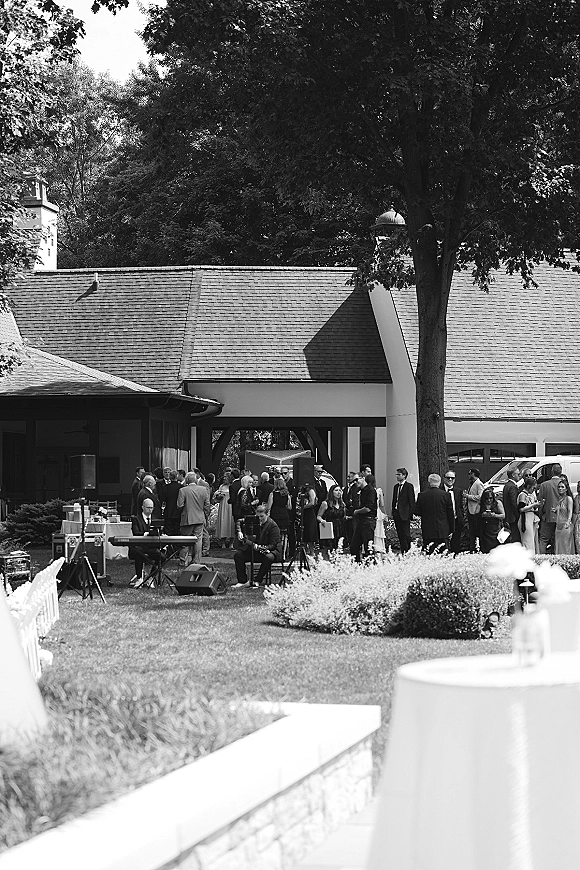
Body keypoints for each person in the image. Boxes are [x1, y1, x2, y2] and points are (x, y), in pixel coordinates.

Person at [232, 505, 283, 588]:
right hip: (256, 551)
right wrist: (239, 532)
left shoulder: (273, 526)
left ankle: (257, 580)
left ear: (268, 514)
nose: (259, 519)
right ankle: (242, 581)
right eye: (257, 516)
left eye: (262, 516)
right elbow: (239, 521)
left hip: (271, 552)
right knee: (238, 555)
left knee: (268, 557)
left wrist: (262, 547)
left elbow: (273, 545)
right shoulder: (253, 521)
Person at [415, 473, 454, 553]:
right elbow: (450, 513)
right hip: (442, 528)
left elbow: (417, 511)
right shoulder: (446, 495)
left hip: (428, 527)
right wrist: (451, 529)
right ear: (439, 482)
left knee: (429, 551)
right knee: (443, 552)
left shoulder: (422, 495)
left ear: (429, 482)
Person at [128, 498, 162, 588]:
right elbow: (136, 532)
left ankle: (151, 578)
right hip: (139, 546)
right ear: (142, 507)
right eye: (148, 507)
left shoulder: (155, 519)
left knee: (162, 557)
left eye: (152, 508)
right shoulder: (136, 519)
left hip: (151, 546)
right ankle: (139, 578)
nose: (150, 510)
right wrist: (147, 534)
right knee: (139, 553)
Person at [177, 471, 210, 565]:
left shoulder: (183, 490)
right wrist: (205, 515)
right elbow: (207, 505)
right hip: (200, 518)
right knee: (198, 540)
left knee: (185, 540)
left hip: (187, 518)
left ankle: (183, 560)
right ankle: (196, 561)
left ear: (187, 480)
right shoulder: (204, 490)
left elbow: (179, 505)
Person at [350, 474, 378, 562]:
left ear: (362, 478)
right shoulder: (360, 491)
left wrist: (356, 511)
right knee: (354, 546)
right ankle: (357, 565)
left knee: (368, 547)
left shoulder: (371, 490)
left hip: (368, 521)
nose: (355, 482)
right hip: (361, 521)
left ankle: (370, 567)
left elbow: (368, 508)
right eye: (353, 481)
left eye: (356, 480)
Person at [538, 462, 563, 553]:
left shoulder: (544, 485)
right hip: (561, 517)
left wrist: (541, 515)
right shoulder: (563, 484)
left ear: (552, 472)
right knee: (558, 540)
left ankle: (542, 560)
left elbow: (540, 502)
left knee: (543, 540)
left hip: (547, 515)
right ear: (561, 472)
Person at [391, 468, 416, 554]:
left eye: (399, 474)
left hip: (405, 513)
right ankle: (403, 551)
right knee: (400, 534)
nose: (397, 476)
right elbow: (394, 500)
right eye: (397, 474)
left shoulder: (409, 486)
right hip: (397, 513)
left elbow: (411, 501)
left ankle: (409, 549)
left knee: (406, 534)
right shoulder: (396, 487)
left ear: (404, 475)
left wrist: (410, 514)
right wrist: (393, 511)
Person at [316, 483, 345, 555]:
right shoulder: (325, 503)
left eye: (340, 490)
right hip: (330, 528)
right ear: (332, 492)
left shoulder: (342, 504)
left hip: (340, 528)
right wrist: (322, 521)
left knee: (339, 549)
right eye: (336, 490)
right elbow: (318, 516)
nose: (338, 492)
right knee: (329, 550)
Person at [442, 469, 464, 554]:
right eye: (448, 478)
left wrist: (461, 516)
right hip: (445, 520)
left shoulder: (458, 491)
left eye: (452, 478)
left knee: (456, 540)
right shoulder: (440, 490)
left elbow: (460, 506)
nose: (450, 480)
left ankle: (455, 555)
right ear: (444, 478)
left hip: (456, 519)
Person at [477, 487, 505, 553]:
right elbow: (476, 514)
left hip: (495, 529)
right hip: (484, 530)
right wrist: (482, 515)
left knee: (496, 548)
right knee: (485, 549)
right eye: (486, 499)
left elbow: (503, 515)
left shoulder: (498, 503)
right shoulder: (481, 504)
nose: (489, 500)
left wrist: (494, 515)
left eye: (490, 498)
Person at [518, 474, 540, 553]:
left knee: (533, 542)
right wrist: (533, 505)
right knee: (528, 542)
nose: (534, 490)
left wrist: (536, 505)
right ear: (529, 486)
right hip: (525, 520)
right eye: (533, 488)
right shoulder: (522, 495)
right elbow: (521, 509)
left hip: (531, 519)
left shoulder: (530, 495)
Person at [465, 468, 484, 551]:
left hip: (476, 511)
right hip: (470, 510)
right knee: (471, 531)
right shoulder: (472, 484)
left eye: (469, 473)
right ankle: (472, 547)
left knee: (476, 530)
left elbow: (480, 497)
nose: (468, 475)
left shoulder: (479, 484)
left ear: (473, 474)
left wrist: (467, 496)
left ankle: (476, 547)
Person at [297, 479, 318, 555]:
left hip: (309, 513)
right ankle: (305, 551)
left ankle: (312, 552)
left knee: (310, 532)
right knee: (305, 533)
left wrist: (303, 507)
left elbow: (312, 503)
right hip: (304, 514)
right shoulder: (302, 491)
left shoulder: (311, 491)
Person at [214, 472, 235, 547]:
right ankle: (223, 542)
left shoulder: (232, 486)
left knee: (231, 522)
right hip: (223, 506)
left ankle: (231, 542)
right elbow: (216, 497)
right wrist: (219, 496)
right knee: (223, 522)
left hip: (230, 506)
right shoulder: (221, 486)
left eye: (226, 477)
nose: (224, 478)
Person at [555, 479, 574, 554]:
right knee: (559, 546)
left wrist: (568, 521)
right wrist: (556, 510)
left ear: (566, 489)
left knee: (565, 547)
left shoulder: (568, 498)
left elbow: (570, 511)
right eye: (559, 487)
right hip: (558, 525)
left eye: (562, 487)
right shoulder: (560, 499)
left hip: (565, 526)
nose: (560, 488)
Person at [502, 468, 521, 543]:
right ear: (513, 475)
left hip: (509, 516)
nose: (519, 476)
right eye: (518, 474)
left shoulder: (507, 485)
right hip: (513, 517)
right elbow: (514, 503)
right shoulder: (512, 486)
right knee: (515, 537)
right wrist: (518, 515)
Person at [162, 470, 182, 535]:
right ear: (177, 477)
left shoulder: (165, 487)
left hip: (168, 512)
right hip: (178, 512)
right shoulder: (181, 487)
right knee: (177, 531)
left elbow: (163, 499)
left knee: (168, 532)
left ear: (170, 477)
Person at [343, 471, 359, 549]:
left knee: (354, 528)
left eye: (350, 477)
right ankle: (348, 543)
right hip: (347, 510)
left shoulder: (356, 487)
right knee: (348, 528)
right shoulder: (346, 488)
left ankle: (353, 545)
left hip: (354, 510)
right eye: (348, 477)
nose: (348, 478)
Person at [373, 482, 387, 553]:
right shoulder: (378, 491)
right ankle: (379, 546)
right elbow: (382, 505)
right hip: (377, 512)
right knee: (378, 530)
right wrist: (385, 514)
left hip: (372, 512)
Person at [574, 481, 580, 555]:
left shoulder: (577, 498)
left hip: (579, 519)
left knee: (578, 540)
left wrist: (573, 523)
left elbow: (576, 511)